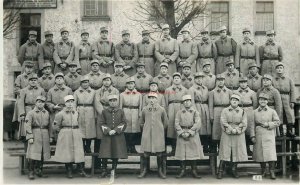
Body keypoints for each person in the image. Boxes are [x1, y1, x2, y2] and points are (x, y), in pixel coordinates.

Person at [53, 95, 89, 178]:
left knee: (77, 151)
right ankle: (69, 170)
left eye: (71, 102)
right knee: (67, 152)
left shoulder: (76, 112)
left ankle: (81, 170)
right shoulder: (60, 114)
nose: (70, 104)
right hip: (66, 133)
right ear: (65, 103)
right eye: (68, 102)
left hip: (76, 133)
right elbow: (55, 126)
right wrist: (62, 132)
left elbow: (79, 122)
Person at [217, 94, 248, 179]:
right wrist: (230, 129)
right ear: (230, 101)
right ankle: (220, 170)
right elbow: (223, 121)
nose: (234, 101)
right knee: (225, 151)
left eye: (236, 100)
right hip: (227, 132)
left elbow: (244, 122)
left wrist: (237, 129)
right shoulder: (225, 110)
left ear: (238, 102)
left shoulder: (242, 111)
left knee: (236, 151)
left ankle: (234, 169)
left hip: (238, 133)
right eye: (233, 99)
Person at [138, 93, 168, 179]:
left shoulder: (162, 109)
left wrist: (160, 129)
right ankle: (144, 170)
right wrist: (146, 129)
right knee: (146, 153)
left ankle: (160, 170)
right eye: (150, 98)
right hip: (147, 134)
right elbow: (141, 122)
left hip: (158, 134)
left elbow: (165, 123)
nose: (151, 100)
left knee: (159, 154)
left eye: (153, 98)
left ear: (157, 99)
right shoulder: (144, 109)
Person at [174, 95, 204, 179]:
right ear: (183, 103)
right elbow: (176, 123)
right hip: (182, 133)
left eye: (188, 101)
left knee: (193, 152)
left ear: (191, 102)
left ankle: (194, 170)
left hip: (192, 134)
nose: (187, 102)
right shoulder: (179, 112)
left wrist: (190, 132)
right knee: (182, 152)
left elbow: (198, 123)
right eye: (185, 101)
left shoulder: (195, 112)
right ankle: (182, 170)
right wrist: (181, 132)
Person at [98, 94, 128, 178]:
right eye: (111, 101)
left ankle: (113, 170)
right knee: (105, 153)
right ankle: (104, 170)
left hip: (117, 136)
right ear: (109, 102)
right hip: (107, 136)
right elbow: (101, 123)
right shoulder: (104, 111)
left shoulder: (121, 111)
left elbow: (124, 122)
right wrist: (108, 130)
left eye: (114, 101)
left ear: (117, 102)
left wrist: (115, 130)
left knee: (116, 153)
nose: (113, 102)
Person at [252, 93, 280, 180]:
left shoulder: (272, 111)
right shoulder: (254, 112)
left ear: (267, 101)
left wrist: (268, 124)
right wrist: (252, 136)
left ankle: (272, 171)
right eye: (261, 100)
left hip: (269, 134)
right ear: (259, 101)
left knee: (270, 153)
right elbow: (252, 125)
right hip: (259, 134)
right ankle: (263, 170)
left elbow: (277, 122)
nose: (262, 101)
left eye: (264, 100)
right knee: (260, 153)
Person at [25, 96, 52, 179]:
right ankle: (31, 171)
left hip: (45, 134)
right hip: (35, 133)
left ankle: (39, 170)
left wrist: (50, 136)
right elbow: (27, 125)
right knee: (33, 154)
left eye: (42, 102)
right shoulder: (31, 113)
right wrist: (30, 136)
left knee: (42, 154)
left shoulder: (46, 113)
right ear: (36, 103)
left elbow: (50, 126)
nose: (41, 103)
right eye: (39, 101)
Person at [18, 74, 46, 151]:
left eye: (35, 80)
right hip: (27, 110)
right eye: (31, 80)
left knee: (37, 128)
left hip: (38, 110)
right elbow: (20, 103)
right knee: (26, 129)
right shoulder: (24, 90)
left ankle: (37, 151)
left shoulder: (41, 90)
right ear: (28, 81)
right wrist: (22, 113)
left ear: (37, 81)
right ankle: (26, 150)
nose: (33, 82)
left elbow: (44, 102)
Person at [164, 72, 189, 155]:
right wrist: (166, 112)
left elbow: (187, 101)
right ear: (173, 80)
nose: (176, 79)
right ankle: (173, 148)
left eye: (178, 78)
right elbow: (165, 102)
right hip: (171, 108)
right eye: (175, 78)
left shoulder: (185, 90)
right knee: (172, 128)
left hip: (181, 108)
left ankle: (182, 149)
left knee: (181, 126)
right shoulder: (168, 90)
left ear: (180, 80)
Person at [209, 74, 233, 153]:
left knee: (225, 129)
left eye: (222, 80)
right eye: (219, 80)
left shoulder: (229, 91)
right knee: (216, 130)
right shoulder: (212, 92)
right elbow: (210, 105)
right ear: (216, 82)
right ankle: (215, 148)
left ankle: (225, 150)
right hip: (217, 111)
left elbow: (232, 104)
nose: (220, 82)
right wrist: (211, 116)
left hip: (226, 111)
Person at [234, 77, 257, 156]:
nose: (243, 84)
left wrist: (253, 113)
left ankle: (248, 149)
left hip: (249, 111)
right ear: (239, 83)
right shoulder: (235, 92)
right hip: (239, 111)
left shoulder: (252, 93)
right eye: (241, 82)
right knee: (241, 128)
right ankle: (242, 149)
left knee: (249, 129)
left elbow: (255, 105)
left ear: (247, 83)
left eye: (244, 82)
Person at [46, 73, 73, 142]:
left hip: (66, 111)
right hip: (55, 111)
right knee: (55, 127)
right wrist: (53, 106)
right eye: (57, 78)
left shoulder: (68, 90)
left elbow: (72, 101)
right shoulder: (51, 90)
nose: (59, 80)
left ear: (63, 80)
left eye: (61, 78)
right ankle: (54, 142)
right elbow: (48, 102)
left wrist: (67, 107)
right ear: (55, 80)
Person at [272, 62, 296, 137]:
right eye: (278, 68)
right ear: (275, 70)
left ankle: (290, 131)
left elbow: (292, 90)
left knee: (288, 114)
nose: (279, 70)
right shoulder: (273, 80)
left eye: (281, 68)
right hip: (277, 98)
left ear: (283, 69)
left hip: (287, 98)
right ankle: (281, 131)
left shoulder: (289, 79)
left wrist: (292, 101)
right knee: (279, 114)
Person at [74, 76, 97, 153]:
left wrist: (95, 114)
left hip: (90, 110)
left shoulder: (93, 92)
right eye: (83, 82)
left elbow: (96, 103)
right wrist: (74, 113)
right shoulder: (76, 92)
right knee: (81, 129)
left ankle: (88, 146)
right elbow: (74, 103)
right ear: (80, 83)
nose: (85, 84)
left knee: (89, 129)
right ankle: (82, 146)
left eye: (86, 82)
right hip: (80, 110)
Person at [120, 77, 143, 153]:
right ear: (126, 85)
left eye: (132, 84)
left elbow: (140, 105)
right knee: (126, 130)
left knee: (134, 130)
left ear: (134, 85)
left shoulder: (139, 94)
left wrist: (140, 113)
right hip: (126, 111)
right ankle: (127, 147)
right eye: (128, 84)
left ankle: (133, 147)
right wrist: (121, 114)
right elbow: (120, 105)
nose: (130, 85)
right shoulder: (122, 94)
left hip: (135, 112)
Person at [189, 72, 210, 153]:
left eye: (201, 78)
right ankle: (196, 147)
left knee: (206, 127)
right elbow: (192, 101)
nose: (199, 80)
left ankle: (205, 146)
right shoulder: (192, 89)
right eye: (197, 78)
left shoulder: (205, 88)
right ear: (194, 79)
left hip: (205, 107)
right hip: (197, 107)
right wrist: (194, 111)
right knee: (198, 126)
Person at [12, 61, 35, 127]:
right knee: (21, 115)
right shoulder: (20, 77)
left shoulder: (35, 77)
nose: (29, 69)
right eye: (28, 67)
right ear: (25, 68)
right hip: (21, 98)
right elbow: (16, 90)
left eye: (31, 68)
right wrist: (24, 93)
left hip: (31, 98)